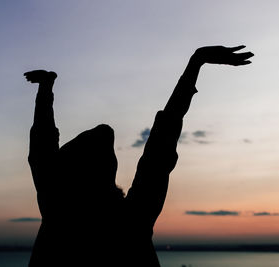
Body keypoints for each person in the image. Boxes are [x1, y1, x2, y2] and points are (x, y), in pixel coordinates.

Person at [24, 45, 253, 266]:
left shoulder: (57, 208)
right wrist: (195, 63)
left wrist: (45, 89)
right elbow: (161, 145)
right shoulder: (131, 220)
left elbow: (42, 148)